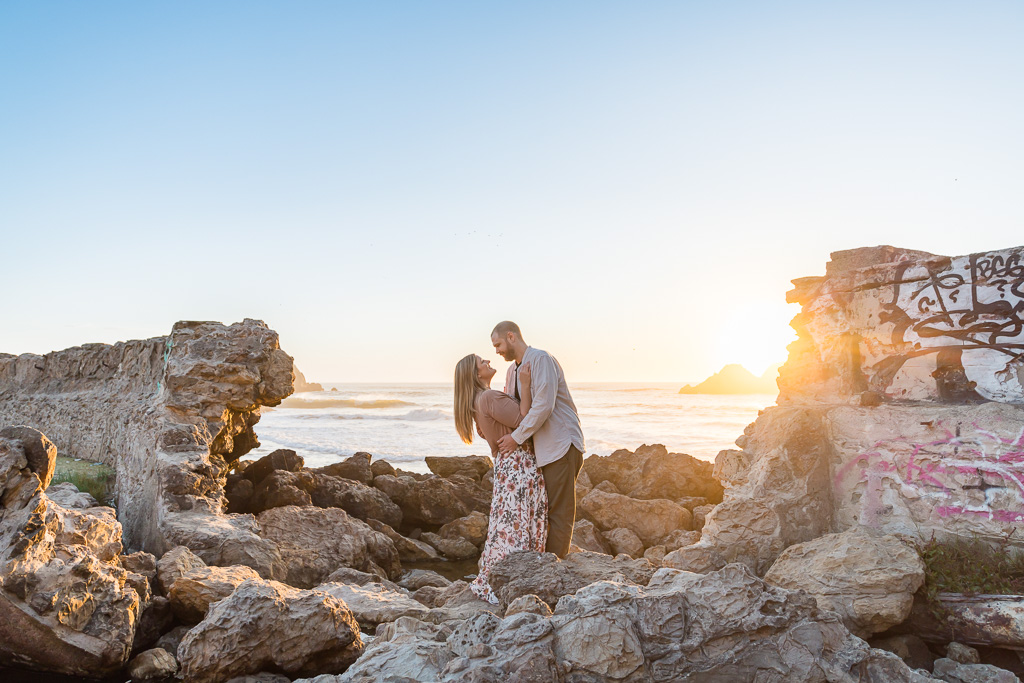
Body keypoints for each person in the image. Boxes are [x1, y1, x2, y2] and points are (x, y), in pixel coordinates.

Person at [453, 353, 547, 603]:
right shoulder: (488, 397)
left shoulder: (477, 401)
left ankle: (501, 575)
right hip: (519, 464)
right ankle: (516, 580)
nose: (487, 362)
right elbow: (525, 420)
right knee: (520, 523)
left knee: (507, 526)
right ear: (476, 375)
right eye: (481, 362)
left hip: (505, 468)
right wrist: (525, 386)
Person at [492, 321, 585, 558]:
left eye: (498, 344)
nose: (497, 351)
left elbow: (544, 406)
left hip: (560, 444)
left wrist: (515, 438)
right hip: (540, 451)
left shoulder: (542, 360)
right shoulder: (512, 371)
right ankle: (544, 566)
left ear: (511, 336)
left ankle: (555, 569)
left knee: (559, 513)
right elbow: (516, 411)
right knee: (543, 511)